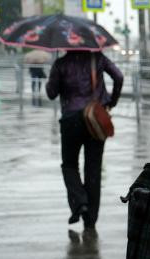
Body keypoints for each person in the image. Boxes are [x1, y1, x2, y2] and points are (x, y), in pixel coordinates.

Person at [46, 50, 123, 230]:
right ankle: (91, 219)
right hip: (95, 118)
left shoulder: (61, 63)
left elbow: (51, 93)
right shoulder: (98, 58)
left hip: (70, 120)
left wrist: (51, 80)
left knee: (69, 165)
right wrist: (112, 101)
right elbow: (118, 76)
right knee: (93, 168)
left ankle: (80, 201)